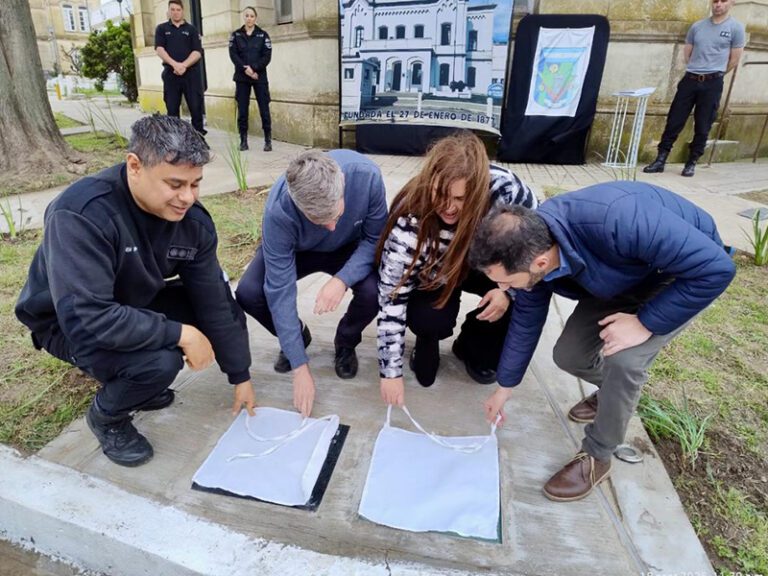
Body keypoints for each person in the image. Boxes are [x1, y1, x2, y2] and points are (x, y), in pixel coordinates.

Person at [469, 181, 736, 501]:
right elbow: (526, 323)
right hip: (622, 274)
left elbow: (716, 269)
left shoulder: (620, 219)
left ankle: (597, 455)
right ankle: (612, 395)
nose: (501, 287)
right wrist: (505, 386)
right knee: (570, 355)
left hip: (681, 275)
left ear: (539, 263)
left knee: (624, 361)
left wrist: (644, 322)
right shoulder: (534, 245)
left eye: (505, 281)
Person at [15, 115, 256, 468]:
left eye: (195, 184)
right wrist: (180, 333)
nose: (187, 197)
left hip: (129, 303)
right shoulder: (82, 213)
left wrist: (241, 375)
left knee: (215, 307)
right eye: (175, 184)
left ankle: (139, 382)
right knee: (160, 362)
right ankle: (108, 417)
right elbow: (88, 318)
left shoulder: (193, 224)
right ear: (134, 166)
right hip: (67, 323)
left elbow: (215, 302)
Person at [377, 131, 538, 408]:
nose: (448, 208)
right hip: (439, 269)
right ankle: (428, 338)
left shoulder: (509, 193)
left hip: (488, 264)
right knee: (430, 320)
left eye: (461, 198)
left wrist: (508, 293)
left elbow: (535, 257)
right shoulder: (410, 216)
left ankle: (472, 341)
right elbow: (392, 297)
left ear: (478, 190)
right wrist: (389, 372)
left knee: (512, 315)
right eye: (440, 194)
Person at [235, 150, 388, 418]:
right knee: (249, 292)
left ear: (342, 183)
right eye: (318, 220)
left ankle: (346, 342)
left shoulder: (367, 177)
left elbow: (375, 239)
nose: (330, 227)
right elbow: (280, 291)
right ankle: (295, 336)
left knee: (374, 290)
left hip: (349, 248)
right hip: (298, 250)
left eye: (336, 215)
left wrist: (342, 279)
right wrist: (300, 367)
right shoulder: (278, 212)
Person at [643, 0, 745, 177]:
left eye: (723, 1)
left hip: (713, 82)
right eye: (715, 1)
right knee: (674, 120)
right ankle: (661, 159)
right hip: (690, 79)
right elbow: (687, 53)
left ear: (731, 3)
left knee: (703, 124)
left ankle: (691, 162)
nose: (718, 4)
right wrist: (696, 70)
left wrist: (716, 73)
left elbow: (734, 59)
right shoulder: (697, 26)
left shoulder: (735, 28)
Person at [155, 0, 207, 140]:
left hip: (191, 75)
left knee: (196, 107)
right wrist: (175, 65)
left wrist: (183, 65)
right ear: (169, 11)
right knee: (172, 108)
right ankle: (175, 142)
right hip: (171, 75)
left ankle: (198, 139)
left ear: (182, 11)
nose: (175, 12)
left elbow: (197, 52)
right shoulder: (161, 29)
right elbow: (159, 49)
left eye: (178, 9)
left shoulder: (191, 29)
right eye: (173, 9)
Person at [229, 6, 273, 152]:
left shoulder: (263, 35)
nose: (249, 18)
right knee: (242, 111)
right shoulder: (236, 35)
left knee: (264, 109)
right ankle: (243, 141)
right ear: (244, 17)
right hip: (242, 78)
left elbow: (266, 56)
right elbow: (233, 55)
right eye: (247, 15)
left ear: (255, 18)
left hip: (259, 77)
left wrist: (253, 68)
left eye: (252, 16)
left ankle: (267, 140)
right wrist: (246, 69)